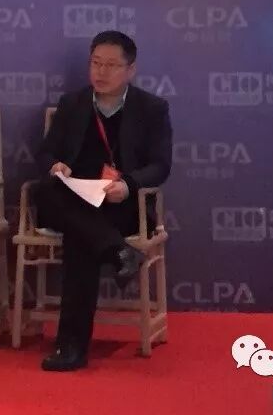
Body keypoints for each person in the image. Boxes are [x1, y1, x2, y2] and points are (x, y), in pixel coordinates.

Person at [34, 30, 172, 371]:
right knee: (48, 191)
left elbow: (160, 165)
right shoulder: (72, 104)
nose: (101, 72)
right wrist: (56, 165)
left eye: (111, 65)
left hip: (120, 205)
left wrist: (128, 184)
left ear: (130, 69)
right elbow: (46, 151)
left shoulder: (151, 108)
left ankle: (71, 347)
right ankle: (119, 251)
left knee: (80, 238)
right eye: (96, 63)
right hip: (75, 199)